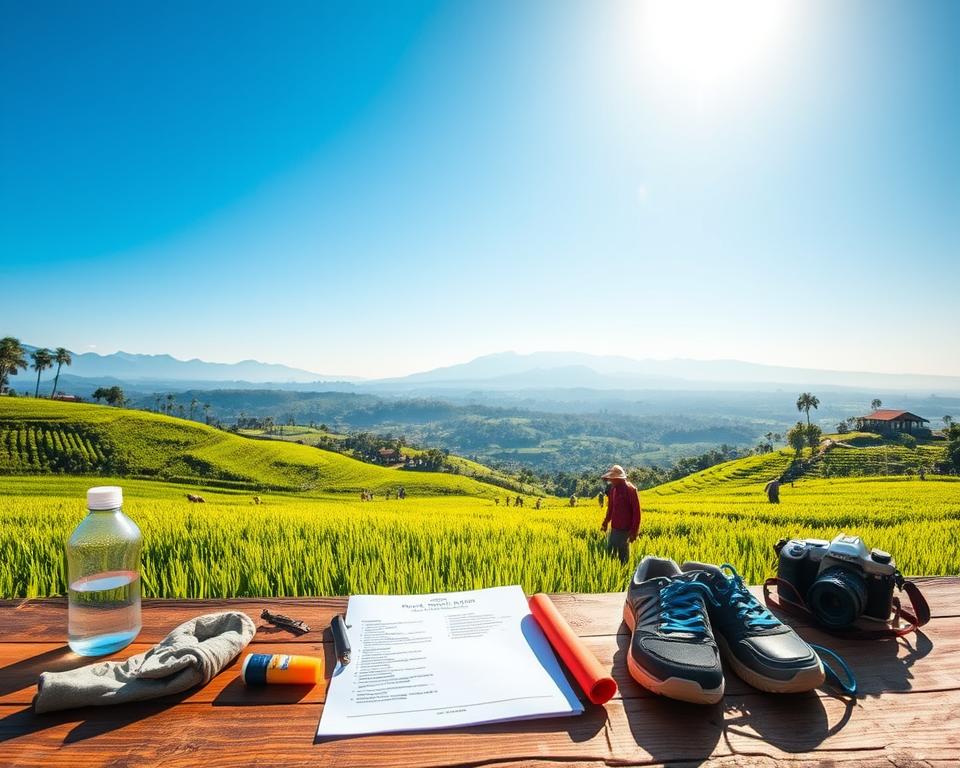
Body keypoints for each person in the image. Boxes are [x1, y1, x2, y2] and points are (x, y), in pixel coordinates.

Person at [600, 464, 641, 564]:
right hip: (615, 529)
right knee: (611, 554)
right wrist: (605, 522)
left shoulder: (631, 490)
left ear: (620, 479)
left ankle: (624, 574)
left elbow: (637, 512)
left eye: (613, 479)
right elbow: (610, 508)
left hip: (626, 530)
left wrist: (634, 532)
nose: (611, 481)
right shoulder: (613, 490)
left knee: (623, 557)